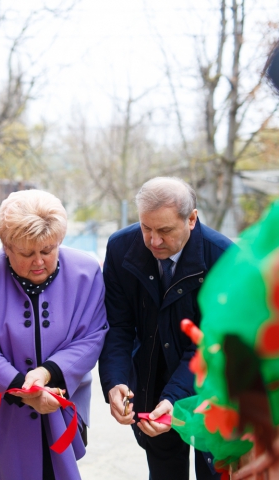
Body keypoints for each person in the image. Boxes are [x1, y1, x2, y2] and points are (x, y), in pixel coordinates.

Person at [0, 189, 108, 479]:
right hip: (5, 411)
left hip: (63, 401)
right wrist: (22, 389)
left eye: (48, 250)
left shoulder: (86, 272)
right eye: (27, 253)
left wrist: (47, 373)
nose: (39, 261)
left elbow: (91, 336)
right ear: (6, 246)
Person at [98, 177, 231, 480]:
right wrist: (115, 380)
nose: (154, 241)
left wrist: (175, 397)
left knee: (213, 471)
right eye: (146, 228)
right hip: (150, 386)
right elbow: (117, 325)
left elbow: (209, 343)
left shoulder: (223, 258)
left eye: (165, 230)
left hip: (210, 390)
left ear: (192, 219)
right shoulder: (120, 248)